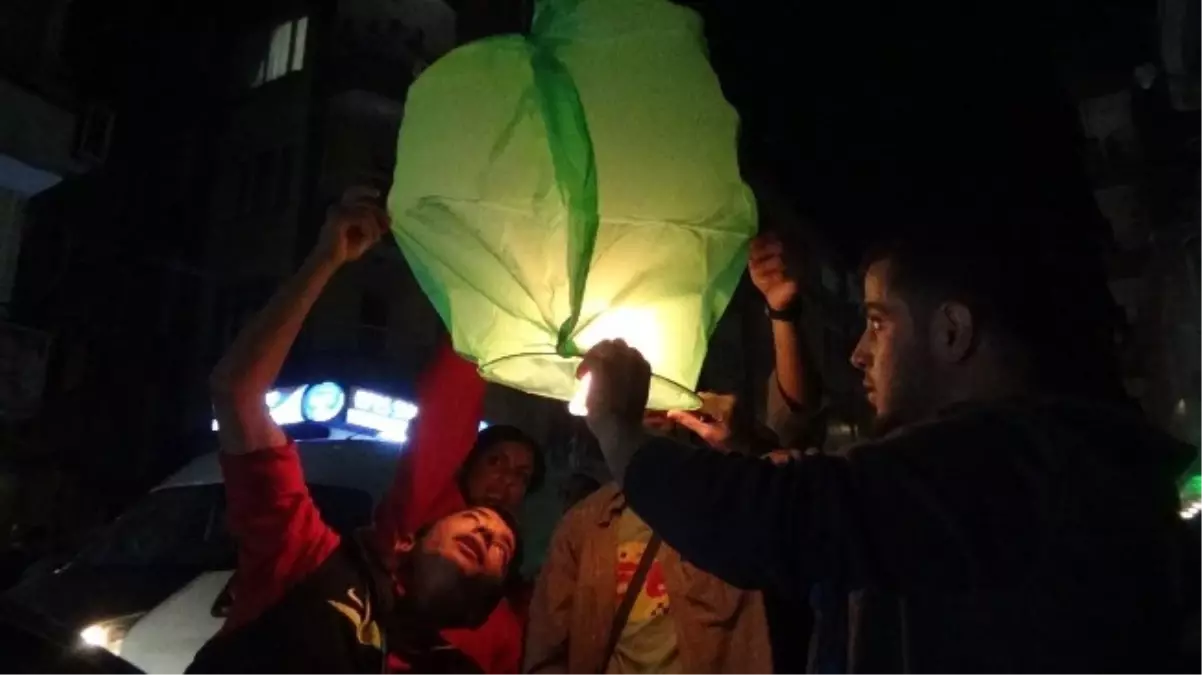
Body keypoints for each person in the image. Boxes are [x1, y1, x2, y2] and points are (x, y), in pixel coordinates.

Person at [578, 225, 1196, 675]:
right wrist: (742, 453)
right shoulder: (1038, 461)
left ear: (952, 331)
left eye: (878, 322)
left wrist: (618, 431)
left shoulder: (1014, 462)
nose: (858, 353)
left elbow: (785, 520)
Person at [189, 187, 521, 675]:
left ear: (490, 600)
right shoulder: (307, 560)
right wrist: (326, 258)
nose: (488, 533)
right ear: (412, 539)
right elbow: (237, 392)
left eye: (502, 550)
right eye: (476, 520)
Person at [523, 234, 824, 675]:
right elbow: (548, 651)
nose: (645, 402)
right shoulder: (585, 526)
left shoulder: (725, 488)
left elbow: (794, 433)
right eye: (632, 387)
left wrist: (781, 310)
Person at [372, 338, 545, 675]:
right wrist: (475, 335)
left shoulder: (509, 615)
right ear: (468, 463)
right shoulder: (421, 514)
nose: (507, 479)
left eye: (522, 476)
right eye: (496, 462)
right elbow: (446, 413)